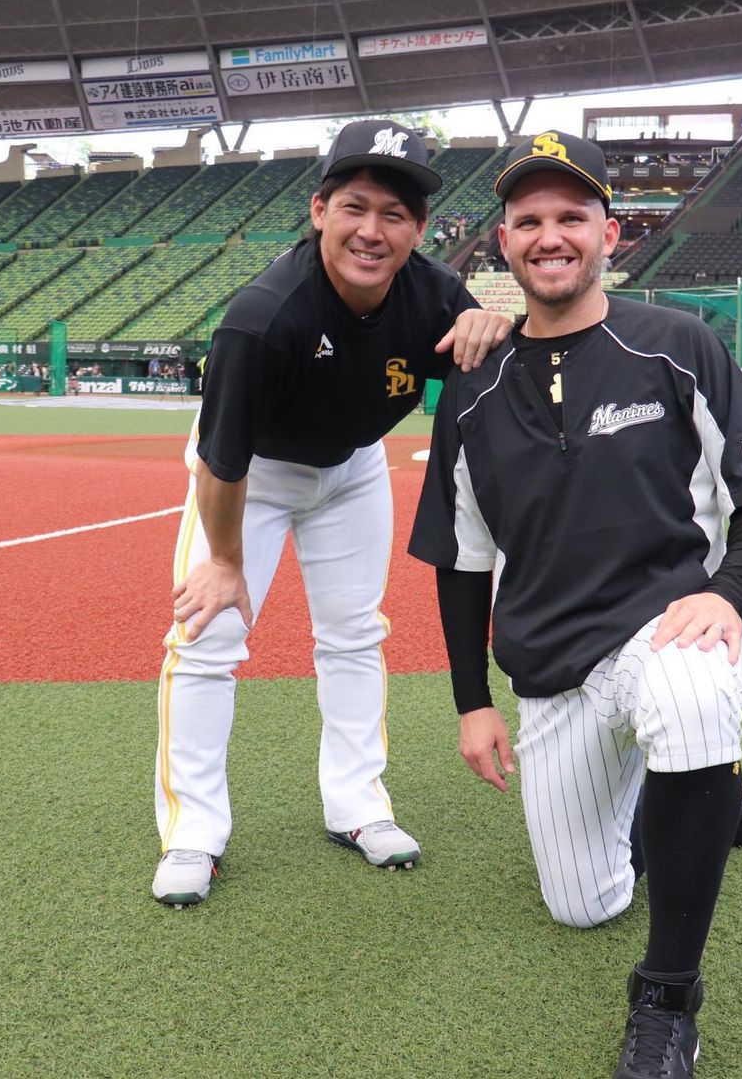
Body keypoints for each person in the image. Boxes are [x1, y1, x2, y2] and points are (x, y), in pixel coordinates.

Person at [409, 132, 742, 1078]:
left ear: (609, 234)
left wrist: (727, 595)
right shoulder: (470, 386)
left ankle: (667, 1000)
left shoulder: (676, 343)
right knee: (583, 904)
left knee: (691, 696)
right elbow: (461, 562)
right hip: (552, 669)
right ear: (504, 243)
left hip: (666, 630)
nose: (551, 236)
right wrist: (471, 703)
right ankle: (713, 798)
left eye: (572, 217)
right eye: (529, 221)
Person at [152, 119, 511, 907]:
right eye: (355, 207)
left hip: (352, 467)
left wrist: (492, 319)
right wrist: (224, 562)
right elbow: (221, 462)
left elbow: (494, 354)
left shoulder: (434, 293)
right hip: (253, 474)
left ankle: (357, 804)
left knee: (354, 635)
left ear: (420, 229)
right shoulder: (262, 317)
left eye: (394, 215)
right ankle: (192, 830)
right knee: (207, 635)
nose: (372, 231)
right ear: (319, 211)